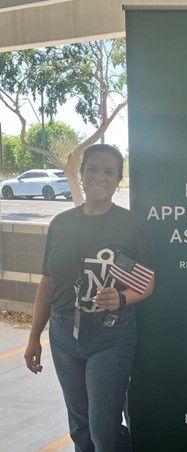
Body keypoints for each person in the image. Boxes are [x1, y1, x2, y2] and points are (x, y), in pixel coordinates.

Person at [24, 144, 155, 451]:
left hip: (111, 335)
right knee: (80, 428)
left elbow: (147, 283)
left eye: (109, 171)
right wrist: (34, 339)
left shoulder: (130, 225)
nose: (100, 176)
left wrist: (122, 298)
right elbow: (48, 282)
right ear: (81, 174)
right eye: (93, 168)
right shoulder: (61, 223)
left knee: (103, 431)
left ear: (118, 179)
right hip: (63, 335)